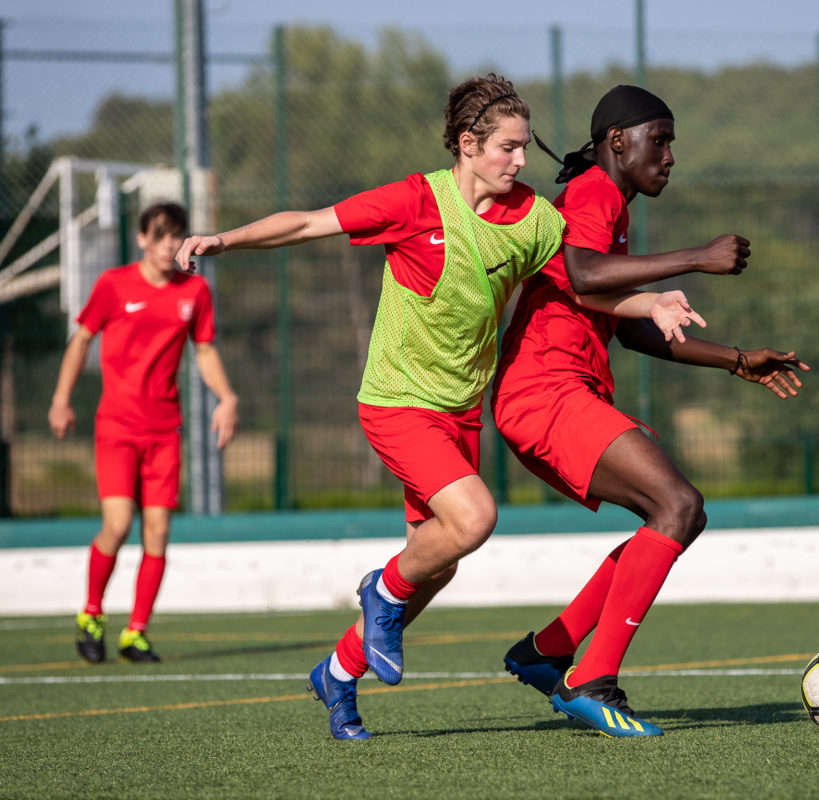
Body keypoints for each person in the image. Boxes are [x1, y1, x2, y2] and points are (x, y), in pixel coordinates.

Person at [173, 74, 704, 741]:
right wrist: (225, 240)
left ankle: (338, 672)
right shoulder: (416, 200)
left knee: (439, 559)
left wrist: (650, 302)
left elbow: (585, 290)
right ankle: (380, 592)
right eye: (507, 148)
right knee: (474, 517)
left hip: (460, 414)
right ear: (468, 144)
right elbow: (310, 222)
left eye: (522, 148)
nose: (520, 161)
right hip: (396, 403)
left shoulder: (536, 220)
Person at [493, 85, 809, 737]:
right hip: (545, 390)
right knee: (679, 506)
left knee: (667, 518)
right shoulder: (593, 194)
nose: (668, 156)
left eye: (671, 144)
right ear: (617, 141)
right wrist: (697, 257)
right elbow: (582, 273)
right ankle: (591, 678)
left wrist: (737, 359)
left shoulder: (611, 207)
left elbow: (632, 326)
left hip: (553, 393)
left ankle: (550, 651)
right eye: (658, 141)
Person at [49, 201, 240, 665]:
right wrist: (60, 399)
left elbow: (205, 351)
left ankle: (136, 633)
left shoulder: (194, 291)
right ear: (142, 240)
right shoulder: (113, 285)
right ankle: (91, 614)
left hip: (164, 432)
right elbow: (80, 341)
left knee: (157, 532)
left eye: (176, 236)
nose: (168, 245)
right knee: (116, 526)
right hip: (116, 427)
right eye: (159, 236)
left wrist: (227, 397)